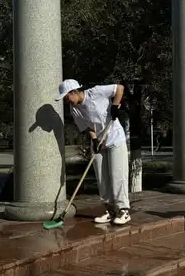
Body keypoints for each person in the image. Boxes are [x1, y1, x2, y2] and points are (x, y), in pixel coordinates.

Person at [56, 79, 131, 225]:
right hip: (99, 142)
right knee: (102, 179)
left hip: (115, 137)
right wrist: (95, 140)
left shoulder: (96, 92)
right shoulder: (75, 109)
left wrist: (115, 106)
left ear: (74, 92)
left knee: (118, 175)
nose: (67, 101)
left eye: (67, 97)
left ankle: (123, 211)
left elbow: (119, 88)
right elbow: (88, 127)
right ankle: (110, 211)